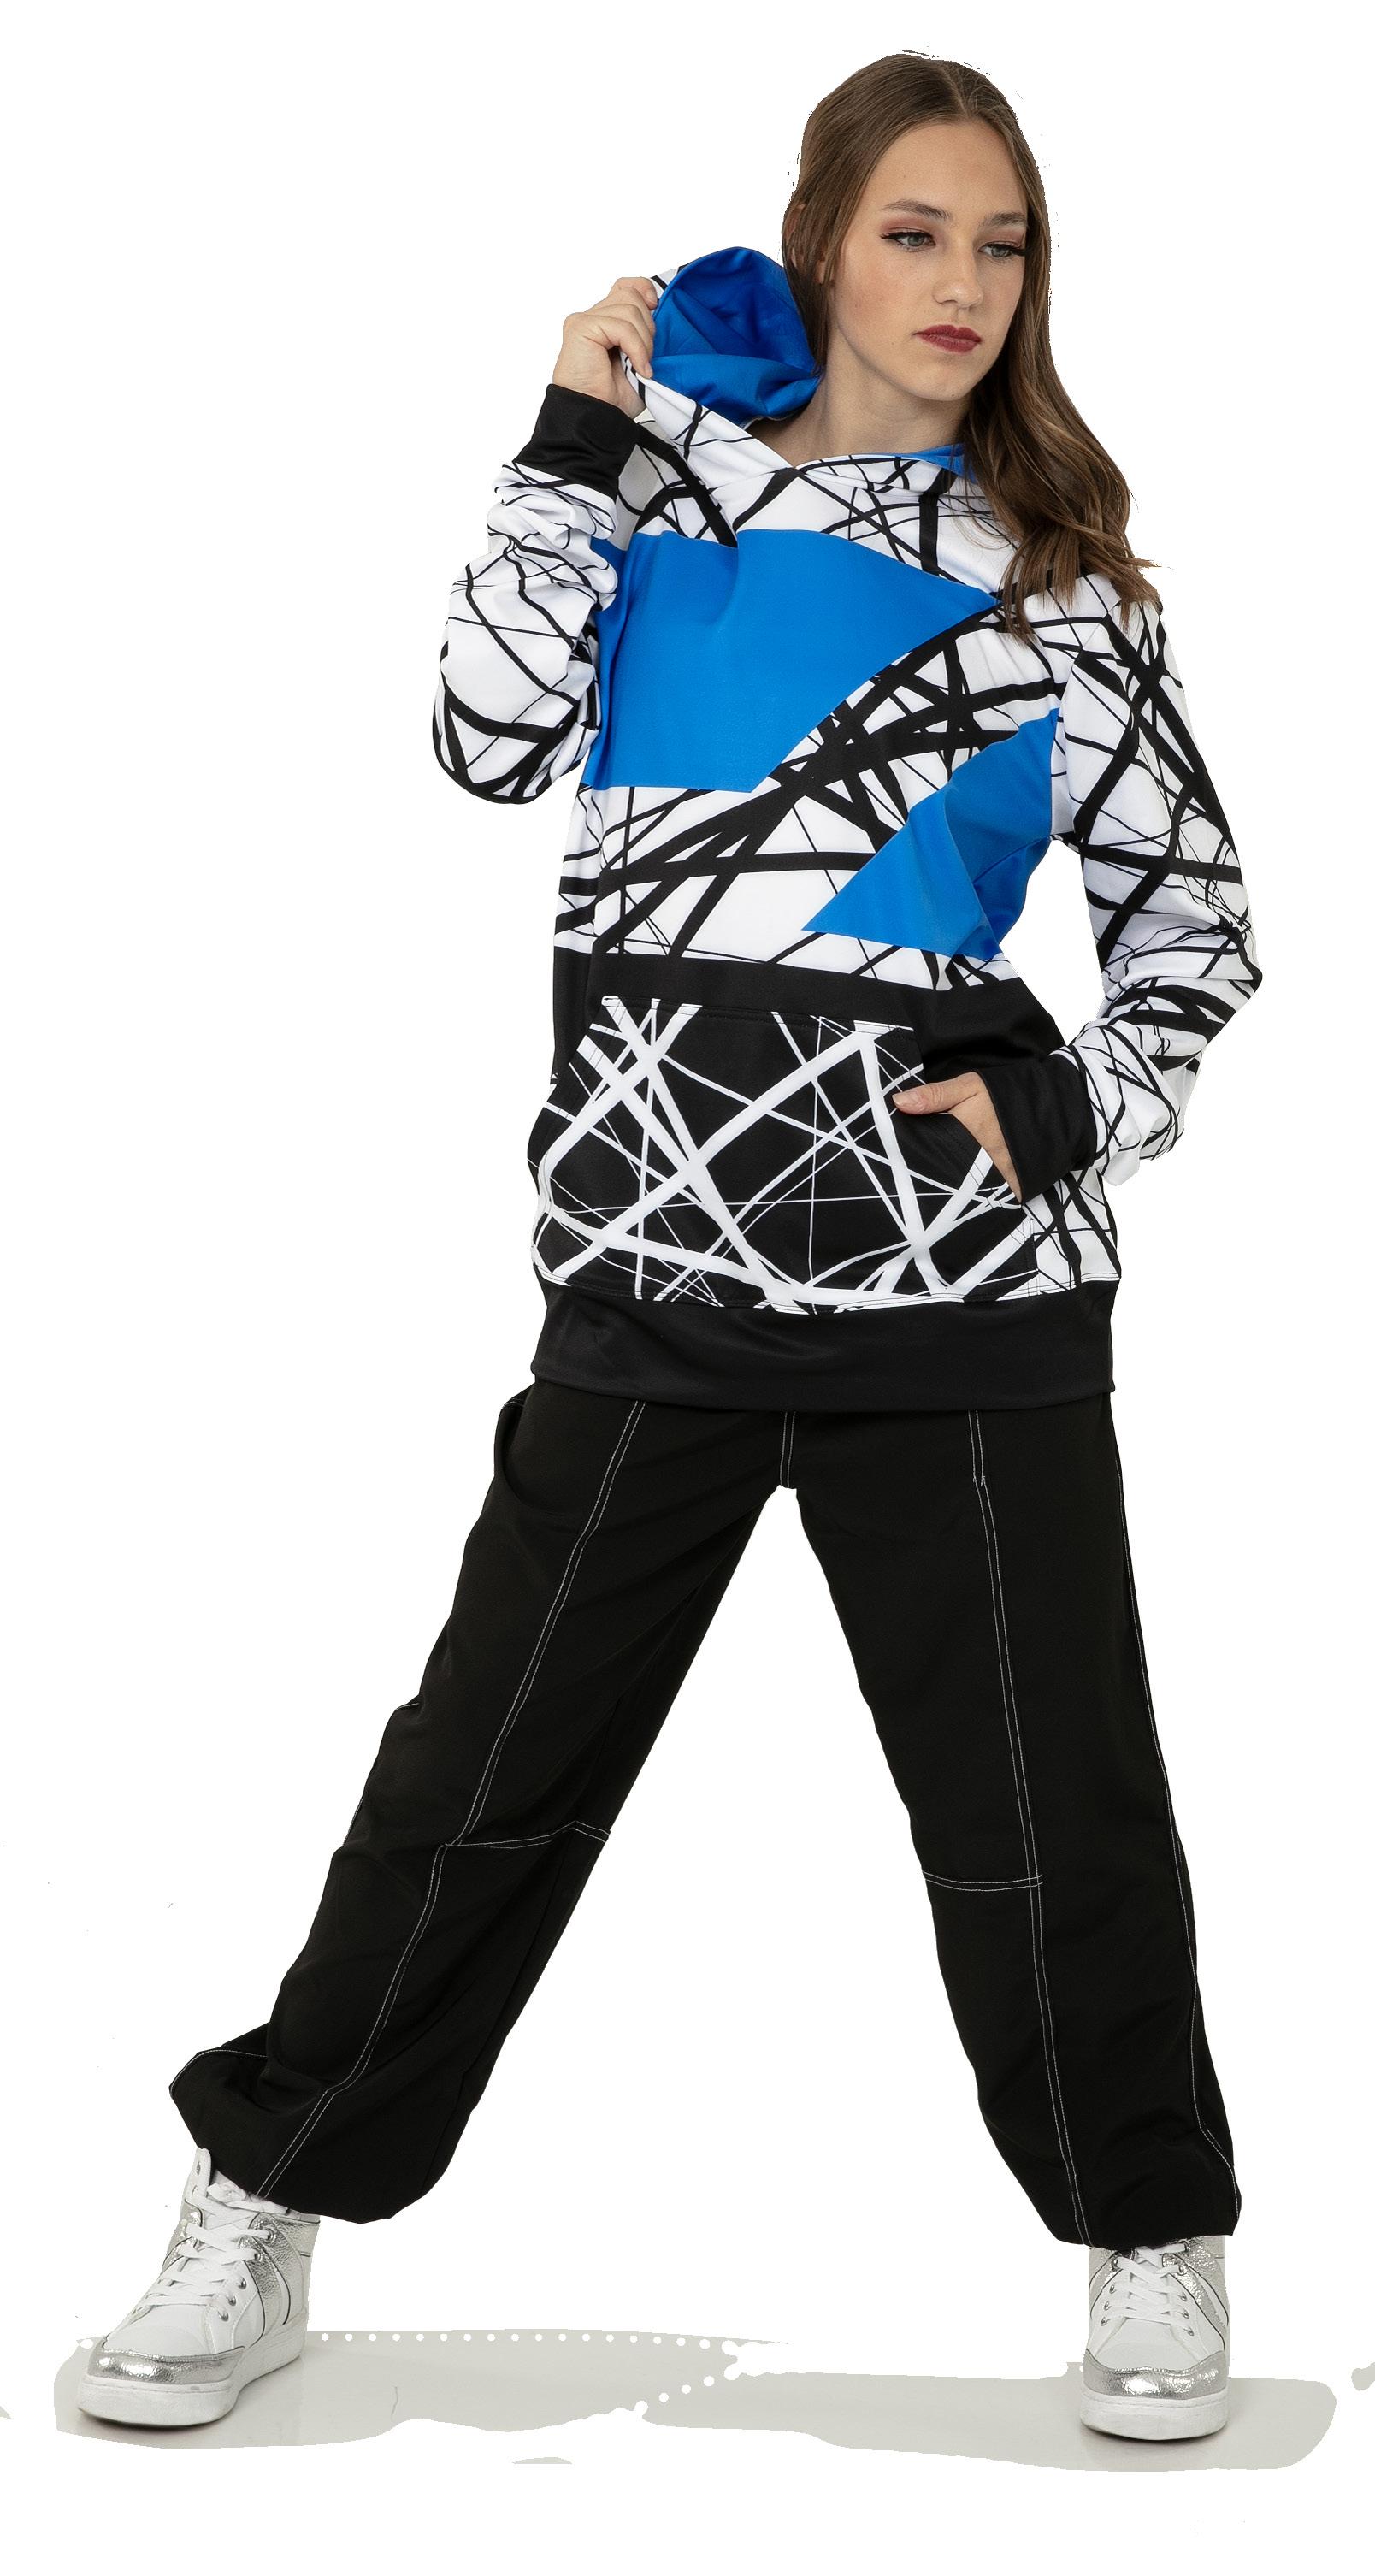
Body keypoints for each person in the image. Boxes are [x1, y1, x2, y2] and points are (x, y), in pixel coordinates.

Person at [80, 51, 1257, 2443]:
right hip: (650, 1276)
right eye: (916, 231)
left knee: (1051, 1812)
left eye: (1004, 243)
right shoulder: (656, 499)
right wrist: (568, 441)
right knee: (478, 1782)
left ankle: (1152, 2235)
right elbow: (484, 736)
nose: (962, 283)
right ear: (821, 241)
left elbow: (1196, 932)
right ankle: (265, 2197)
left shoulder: (1057, 586)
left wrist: (1063, 1112)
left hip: (960, 1302)